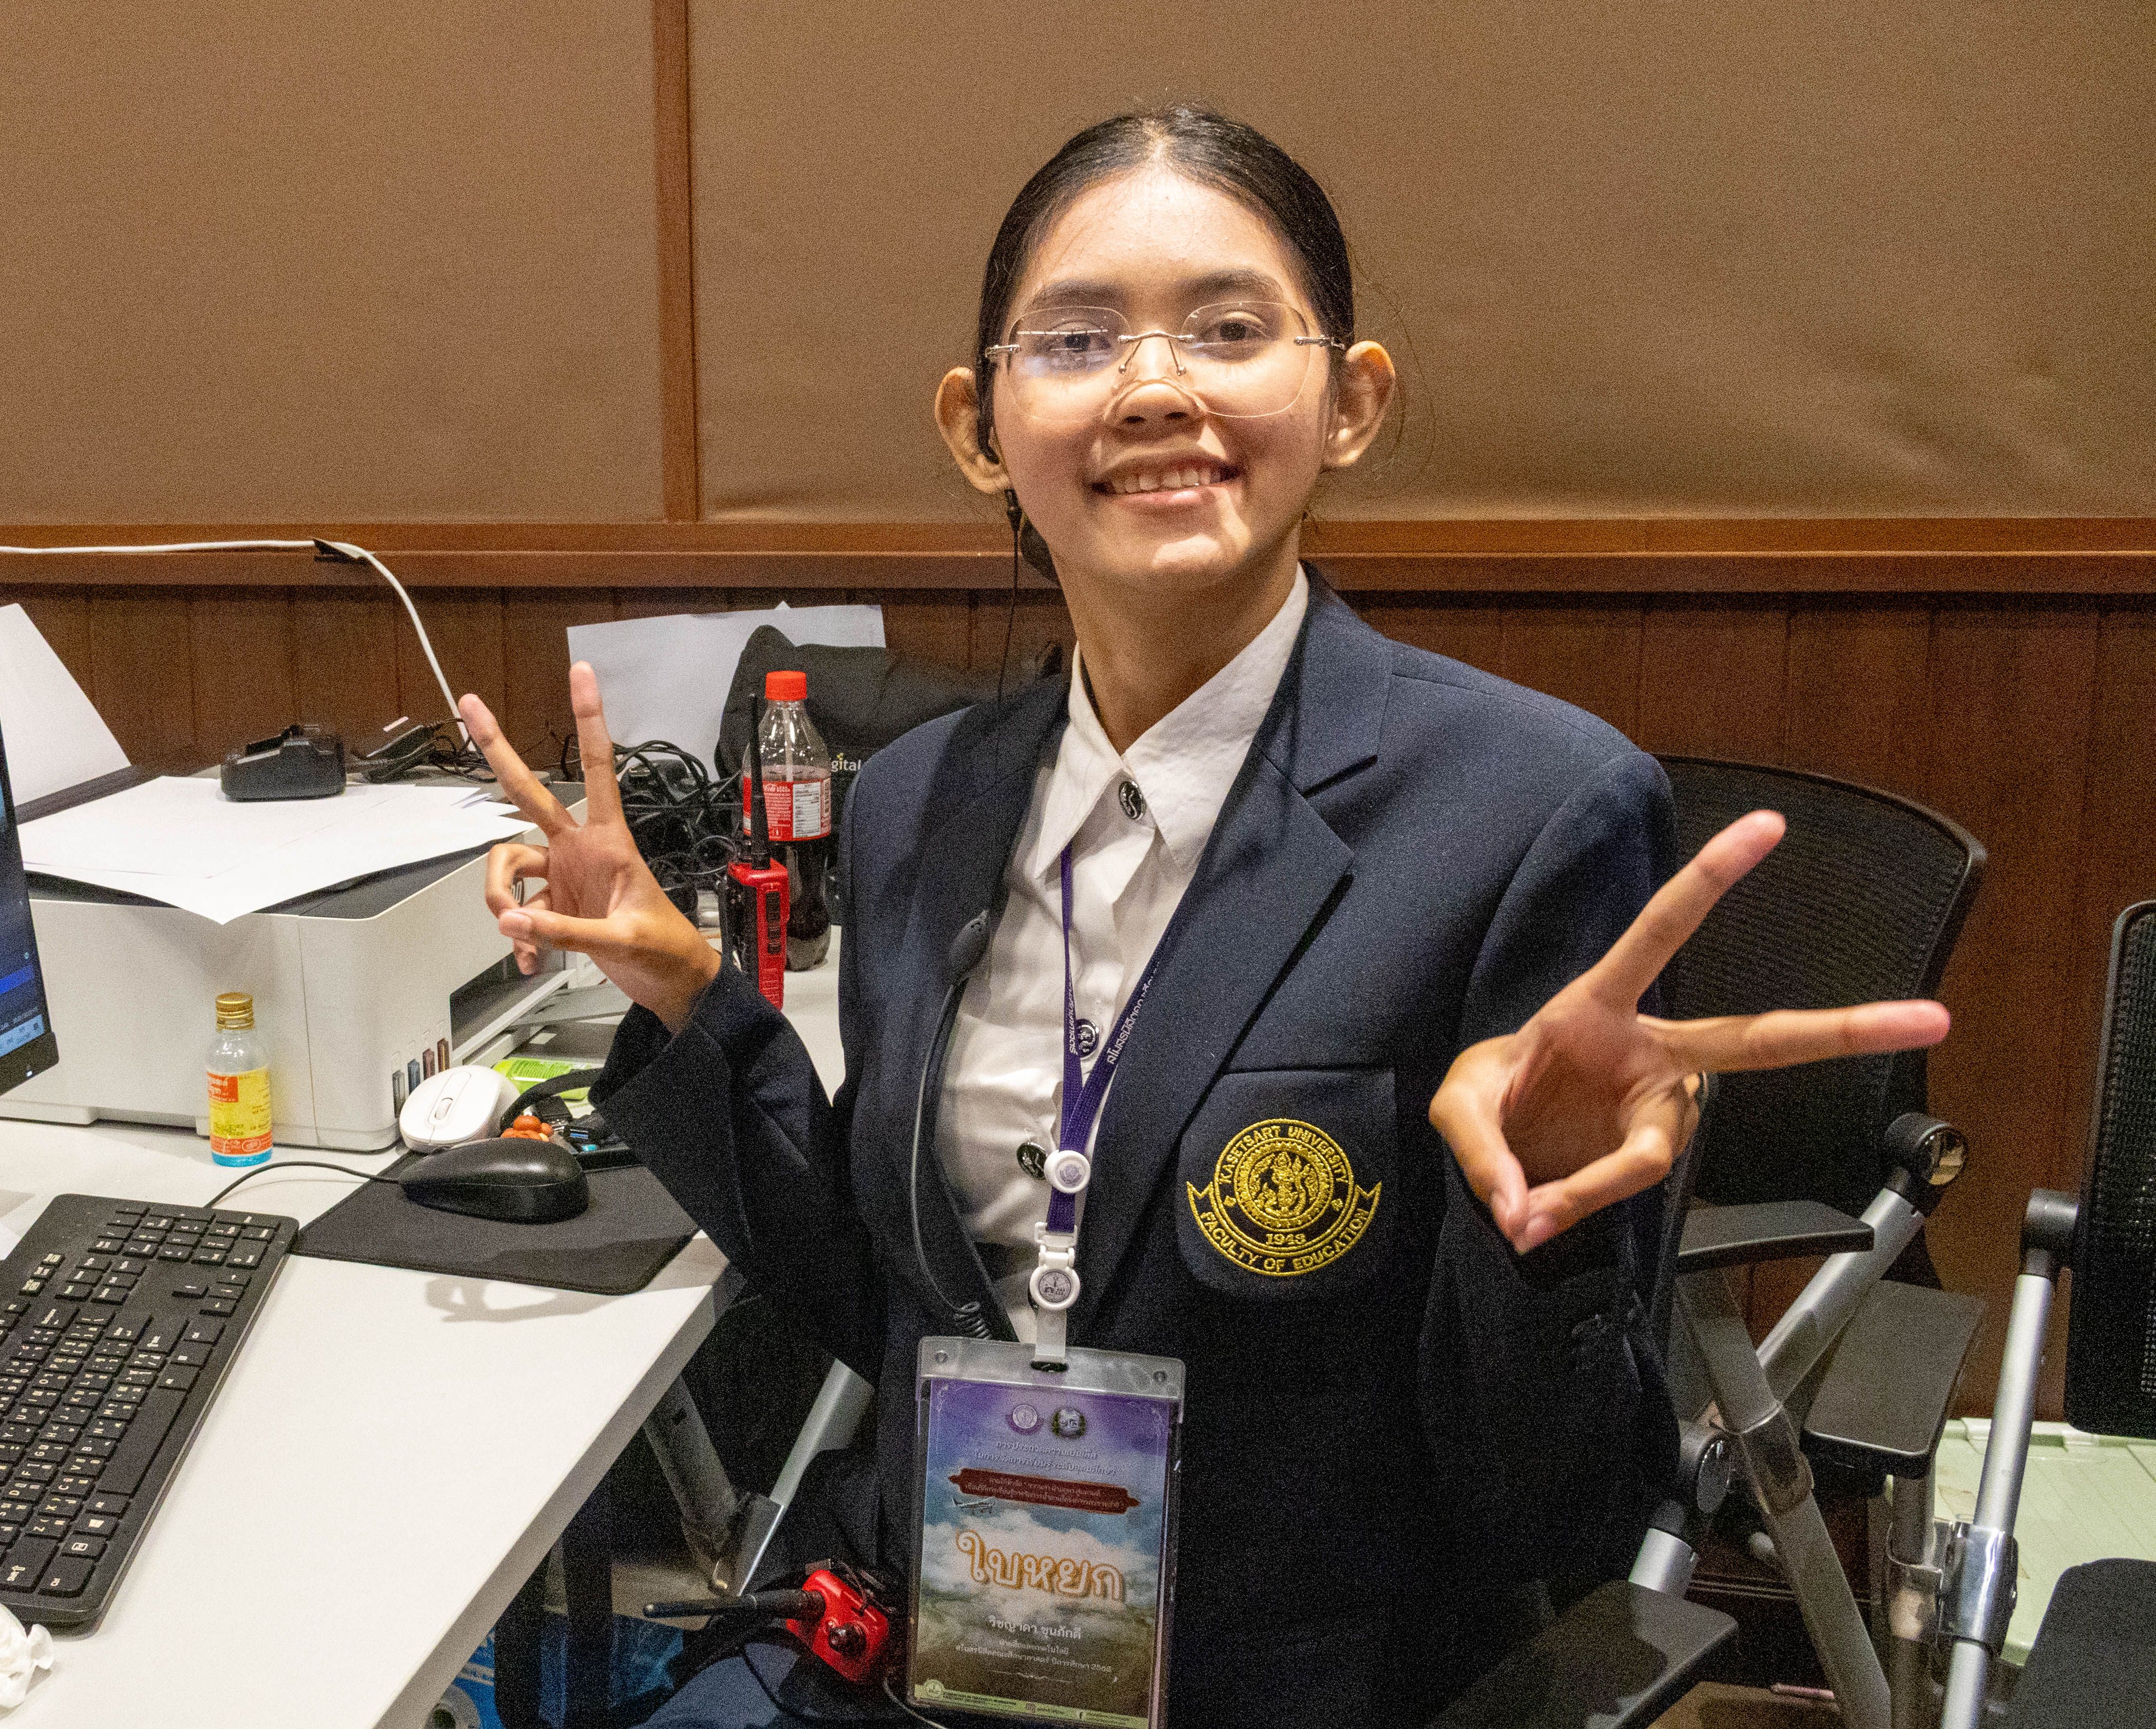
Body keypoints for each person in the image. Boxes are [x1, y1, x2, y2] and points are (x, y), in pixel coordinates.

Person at [457, 108, 1948, 1727]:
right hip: (944, 1650)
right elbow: (888, 1305)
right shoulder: (917, 804)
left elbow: (1557, 1514)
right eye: (1076, 339)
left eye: (1230, 331)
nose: (1155, 387)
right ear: (977, 425)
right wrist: (691, 999)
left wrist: (1546, 1229)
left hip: (1305, 1684)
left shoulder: (1530, 812)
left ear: (1351, 400)